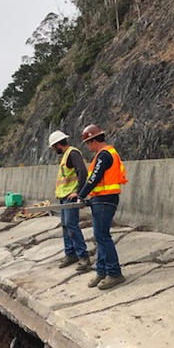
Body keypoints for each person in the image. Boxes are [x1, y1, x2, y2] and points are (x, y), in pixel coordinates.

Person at [68, 124, 128, 290]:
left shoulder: (104, 155)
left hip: (105, 200)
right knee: (100, 236)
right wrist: (88, 199)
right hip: (100, 200)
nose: (88, 147)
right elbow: (97, 181)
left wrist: (80, 195)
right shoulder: (104, 154)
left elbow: (93, 179)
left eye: (88, 143)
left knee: (102, 236)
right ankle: (102, 271)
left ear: (94, 140)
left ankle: (114, 273)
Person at [48, 130, 90, 271]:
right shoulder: (66, 155)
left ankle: (83, 257)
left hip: (70, 197)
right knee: (66, 226)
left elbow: (83, 172)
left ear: (58, 144)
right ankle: (70, 254)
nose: (54, 150)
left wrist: (78, 193)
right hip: (64, 197)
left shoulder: (73, 153)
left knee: (72, 225)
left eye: (54, 147)